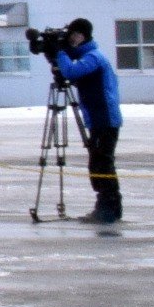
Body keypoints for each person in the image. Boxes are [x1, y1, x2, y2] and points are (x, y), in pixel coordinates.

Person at [47, 17, 124, 223]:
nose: (70, 39)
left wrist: (60, 51)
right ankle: (109, 206)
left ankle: (108, 207)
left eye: (72, 35)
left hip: (104, 119)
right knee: (100, 162)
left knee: (101, 163)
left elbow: (71, 71)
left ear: (81, 35)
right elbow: (68, 69)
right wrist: (54, 52)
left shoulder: (93, 58)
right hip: (99, 119)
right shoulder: (89, 55)